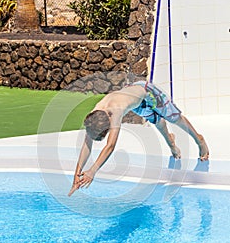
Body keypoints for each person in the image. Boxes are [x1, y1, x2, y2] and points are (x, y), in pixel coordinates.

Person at [68, 80, 209, 196]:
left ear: (109, 125)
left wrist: (92, 171)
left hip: (147, 92)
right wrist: (77, 173)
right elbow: (87, 144)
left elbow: (110, 146)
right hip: (135, 99)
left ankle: (199, 140)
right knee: (158, 122)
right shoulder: (94, 116)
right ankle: (171, 142)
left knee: (173, 118)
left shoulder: (116, 111)